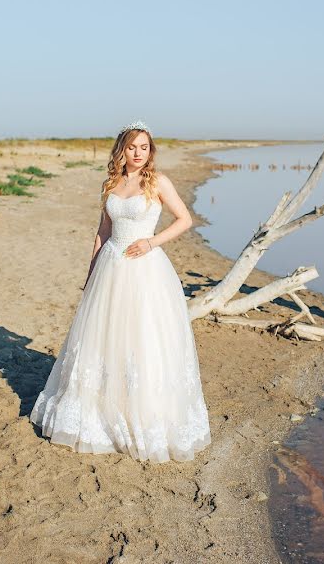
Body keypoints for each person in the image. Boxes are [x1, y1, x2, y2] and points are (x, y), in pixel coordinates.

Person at [29, 121, 211, 463]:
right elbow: (103, 229)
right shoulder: (111, 183)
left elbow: (185, 219)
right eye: (132, 147)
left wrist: (151, 241)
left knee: (143, 336)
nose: (138, 153)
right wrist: (92, 272)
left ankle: (141, 409)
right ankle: (100, 408)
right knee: (105, 336)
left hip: (145, 267)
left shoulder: (158, 182)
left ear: (150, 150)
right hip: (111, 265)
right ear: (122, 150)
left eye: (144, 147)